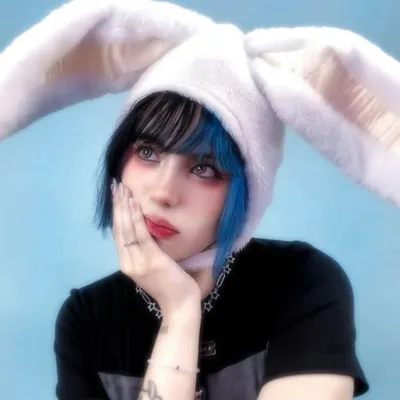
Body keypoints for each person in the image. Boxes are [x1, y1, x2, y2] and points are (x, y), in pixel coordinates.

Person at [1, 1, 400, 399]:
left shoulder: (303, 284)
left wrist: (180, 308)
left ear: (246, 192)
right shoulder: (87, 321)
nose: (163, 192)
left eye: (204, 168)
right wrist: (179, 313)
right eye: (147, 152)